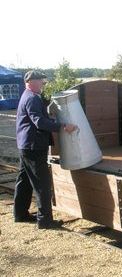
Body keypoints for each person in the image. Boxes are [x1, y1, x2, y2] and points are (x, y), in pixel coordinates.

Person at [14, 70, 77, 229]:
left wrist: (51, 120)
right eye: (41, 80)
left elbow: (36, 119)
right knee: (42, 183)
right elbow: (39, 122)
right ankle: (45, 221)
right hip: (34, 146)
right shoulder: (33, 98)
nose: (43, 83)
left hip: (26, 145)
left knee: (25, 181)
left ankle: (20, 214)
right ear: (30, 82)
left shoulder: (26, 95)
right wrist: (62, 126)